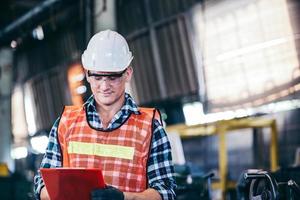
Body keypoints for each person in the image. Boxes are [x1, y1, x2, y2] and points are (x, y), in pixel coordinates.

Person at [33, 29, 176, 200]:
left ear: (127, 73)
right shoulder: (65, 124)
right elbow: (41, 184)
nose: (104, 86)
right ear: (87, 75)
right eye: (98, 77)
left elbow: (165, 192)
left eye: (112, 77)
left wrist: (123, 198)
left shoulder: (150, 128)